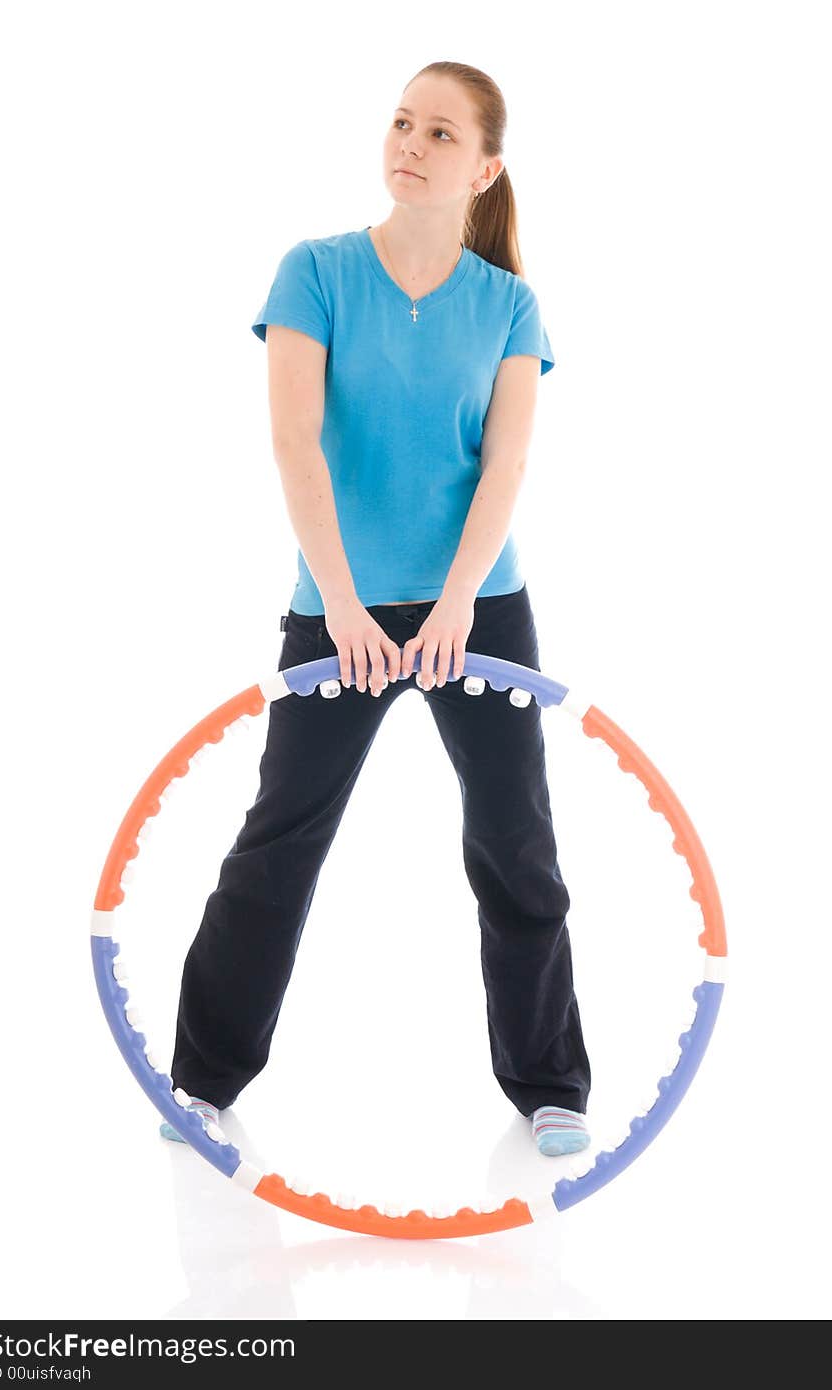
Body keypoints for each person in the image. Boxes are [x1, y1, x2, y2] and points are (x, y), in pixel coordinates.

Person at [162, 61, 592, 1158]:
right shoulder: (314, 272)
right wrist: (346, 609)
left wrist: (452, 609)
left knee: (516, 846)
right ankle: (203, 1079)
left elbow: (504, 468)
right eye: (402, 121)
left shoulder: (509, 305)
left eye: (440, 133)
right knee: (279, 843)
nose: (410, 142)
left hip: (477, 611)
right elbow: (295, 443)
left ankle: (549, 1086)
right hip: (337, 611)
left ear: (483, 167)